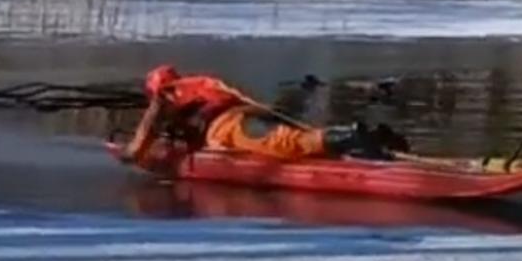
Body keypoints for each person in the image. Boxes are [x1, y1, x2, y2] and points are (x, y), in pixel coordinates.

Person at [119, 65, 406, 165]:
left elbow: (149, 125)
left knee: (288, 143)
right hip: (249, 114)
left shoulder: (167, 95)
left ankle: (350, 136)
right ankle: (357, 138)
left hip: (230, 128)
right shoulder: (197, 84)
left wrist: (133, 153)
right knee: (295, 137)